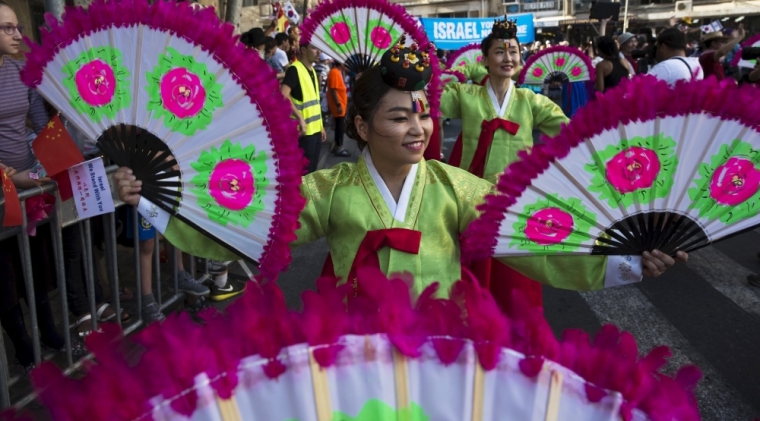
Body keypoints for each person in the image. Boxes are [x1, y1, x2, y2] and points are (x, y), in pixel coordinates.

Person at [114, 41, 686, 301]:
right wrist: (151, 197)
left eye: (423, 116)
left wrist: (627, 259)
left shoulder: (457, 188)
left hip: (443, 346)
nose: (419, 129)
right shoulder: (328, 189)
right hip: (349, 353)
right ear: (361, 128)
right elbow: (257, 218)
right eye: (397, 117)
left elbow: (534, 241)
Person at [438, 19, 570, 311]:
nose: (507, 58)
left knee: (514, 282)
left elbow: (570, 134)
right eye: (499, 52)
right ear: (484, 60)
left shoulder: (531, 101)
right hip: (470, 199)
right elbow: (433, 97)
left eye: (513, 52)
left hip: (515, 202)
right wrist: (458, 72)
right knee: (471, 276)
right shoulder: (466, 95)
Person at [0, 1, 84, 370]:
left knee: (34, 263)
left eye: (17, 27)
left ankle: (49, 330)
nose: (19, 35)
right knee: (4, 276)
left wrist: (56, 161)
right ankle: (23, 346)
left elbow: (35, 127)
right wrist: (7, 175)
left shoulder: (21, 71)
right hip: (3, 191)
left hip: (28, 187)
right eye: (8, 28)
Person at [281, 42, 326, 174]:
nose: (318, 52)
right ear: (304, 50)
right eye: (314, 48)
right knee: (302, 175)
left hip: (315, 131)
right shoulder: (294, 69)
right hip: (303, 133)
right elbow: (283, 95)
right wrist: (299, 118)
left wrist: (321, 126)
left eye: (319, 49)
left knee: (311, 173)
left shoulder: (312, 70)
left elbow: (315, 103)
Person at [327, 60, 350, 157]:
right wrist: (338, 105)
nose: (348, 66)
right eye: (347, 63)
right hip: (338, 106)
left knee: (340, 126)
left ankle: (338, 146)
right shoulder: (334, 72)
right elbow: (332, 90)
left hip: (341, 105)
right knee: (340, 127)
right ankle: (339, 147)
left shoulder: (339, 72)